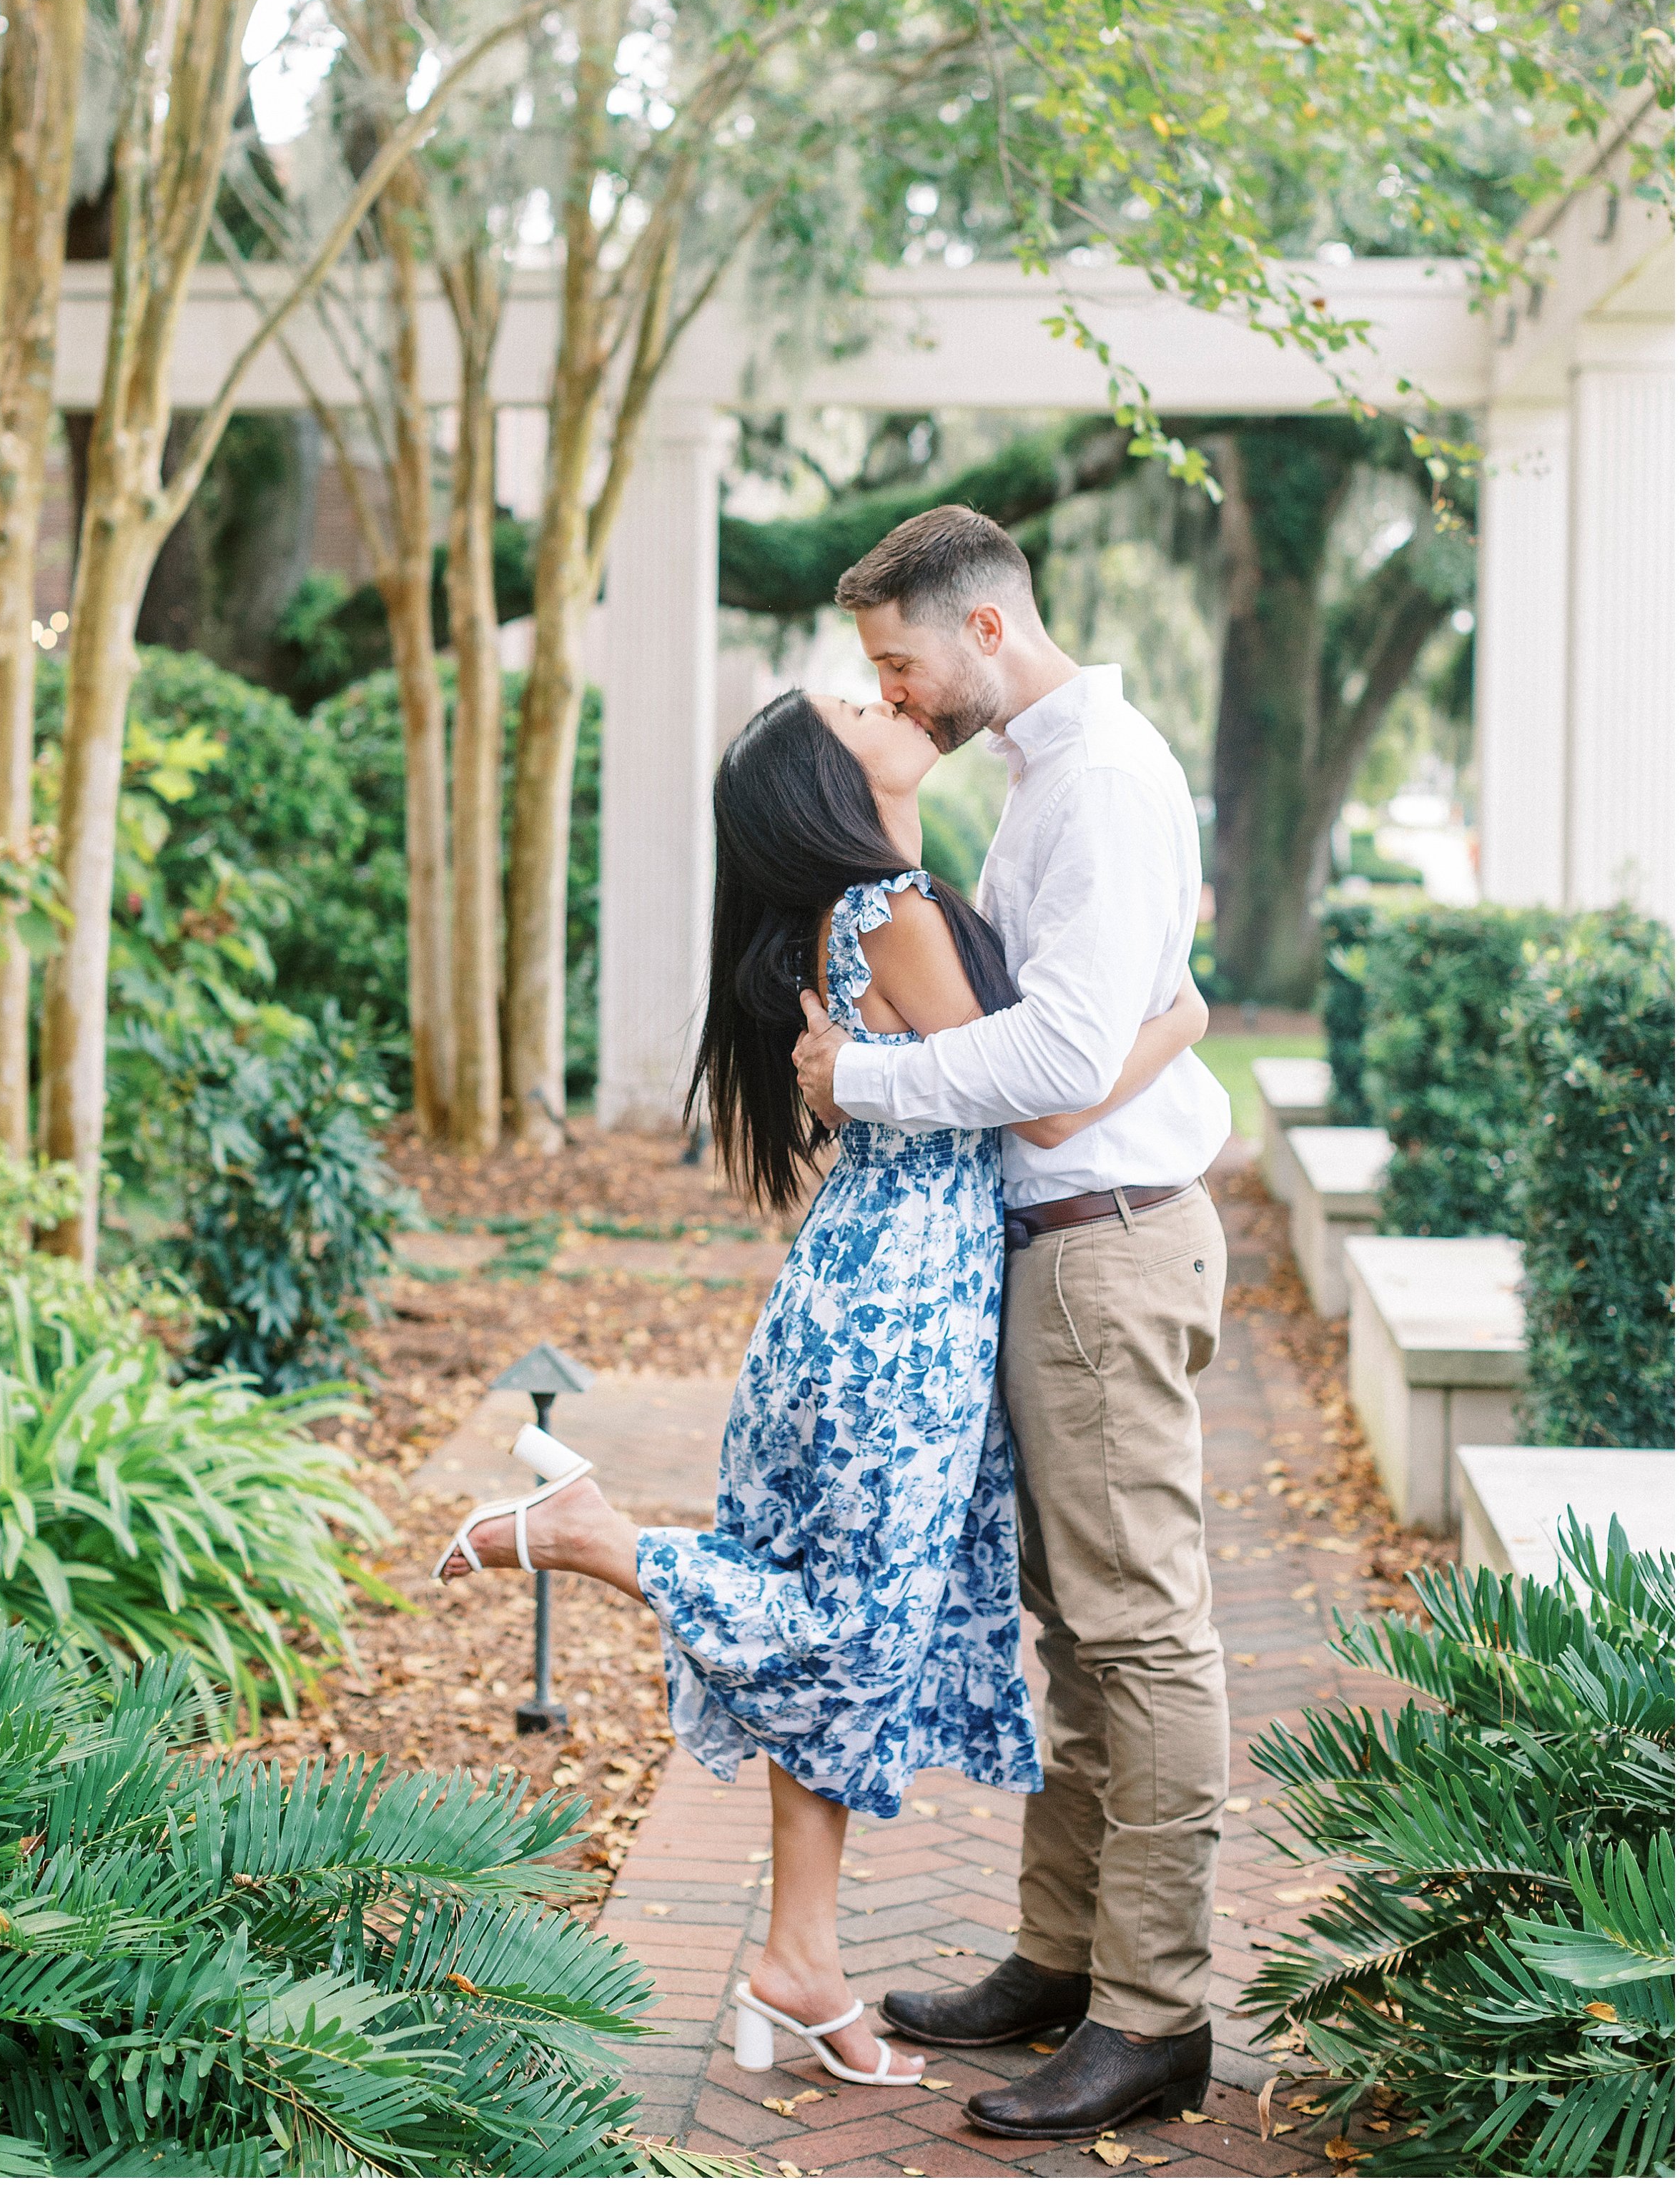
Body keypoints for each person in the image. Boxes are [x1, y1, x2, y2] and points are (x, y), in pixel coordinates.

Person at [434, 681, 1208, 2091]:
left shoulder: (868, 915)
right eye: (857, 704)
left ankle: (799, 1958)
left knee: (833, 1622)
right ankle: (598, 1540)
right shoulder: (888, 915)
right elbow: (1048, 1088)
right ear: (824, 783)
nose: (889, 700)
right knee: (853, 1633)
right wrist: (1176, 1018)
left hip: (855, 1299)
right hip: (897, 1321)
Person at [791, 505, 1234, 2143]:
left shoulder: (1100, 782)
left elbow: (1051, 1072)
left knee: (1136, 1631)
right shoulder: (1053, 779)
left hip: (1102, 1248)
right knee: (1076, 1625)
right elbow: (1118, 1016)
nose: (892, 697)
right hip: (1062, 1246)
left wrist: (865, 1079)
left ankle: (1151, 2010)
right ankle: (1063, 1959)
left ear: (983, 628)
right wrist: (1163, 1021)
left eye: (898, 662)